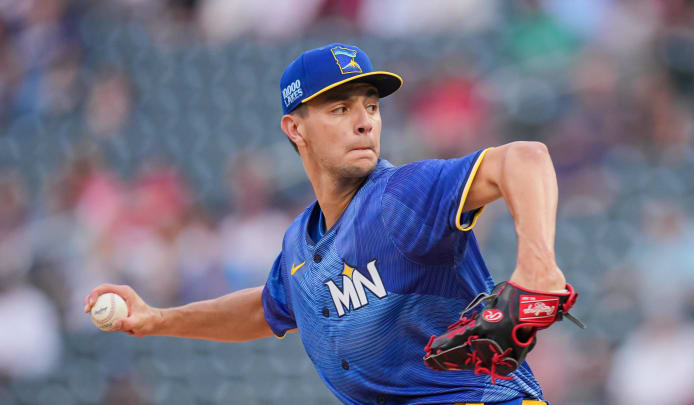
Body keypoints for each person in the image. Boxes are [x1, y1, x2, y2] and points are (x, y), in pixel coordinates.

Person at [85, 43, 570, 405]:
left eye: (372, 107)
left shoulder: (403, 196)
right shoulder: (299, 244)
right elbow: (266, 309)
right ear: (295, 128)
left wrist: (537, 267)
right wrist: (157, 320)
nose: (365, 122)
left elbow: (525, 158)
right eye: (341, 109)